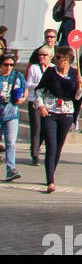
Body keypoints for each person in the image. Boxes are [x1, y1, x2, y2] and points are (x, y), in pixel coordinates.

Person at [36, 44, 82, 192]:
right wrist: (41, 106)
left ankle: (51, 172)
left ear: (66, 60)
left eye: (58, 58)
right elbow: (39, 90)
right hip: (50, 111)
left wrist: (80, 86)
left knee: (58, 147)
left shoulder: (75, 74)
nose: (55, 60)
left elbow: (77, 97)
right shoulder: (50, 72)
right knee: (51, 145)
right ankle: (50, 180)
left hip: (66, 113)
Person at [0, 52, 28, 181]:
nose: (9, 67)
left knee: (10, 142)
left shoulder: (17, 76)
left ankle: (11, 169)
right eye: (6, 64)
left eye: (11, 64)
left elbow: (25, 89)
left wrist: (22, 99)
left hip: (11, 114)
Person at [24, 47, 50, 165]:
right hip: (34, 100)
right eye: (40, 55)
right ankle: (35, 155)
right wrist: (40, 85)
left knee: (45, 129)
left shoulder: (52, 68)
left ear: (49, 56)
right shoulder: (34, 68)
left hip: (48, 102)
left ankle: (38, 147)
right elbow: (28, 84)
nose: (42, 57)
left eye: (45, 55)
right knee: (36, 128)